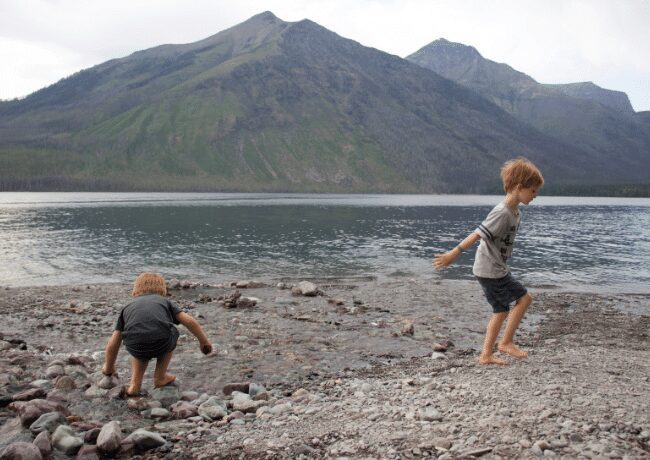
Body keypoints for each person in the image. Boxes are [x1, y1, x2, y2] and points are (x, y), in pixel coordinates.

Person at [433, 158, 544, 365]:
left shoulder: (515, 211)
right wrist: (453, 254)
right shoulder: (502, 212)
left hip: (497, 268)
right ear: (520, 187)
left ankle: (504, 343)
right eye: (533, 191)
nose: (535, 196)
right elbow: (477, 234)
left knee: (524, 299)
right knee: (501, 310)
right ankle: (489, 353)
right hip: (488, 270)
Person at [101, 272, 213, 395]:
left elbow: (113, 343)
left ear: (136, 289)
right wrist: (204, 341)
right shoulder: (164, 301)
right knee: (172, 331)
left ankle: (135, 385)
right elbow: (189, 321)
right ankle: (160, 377)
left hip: (135, 346)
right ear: (162, 288)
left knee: (138, 340)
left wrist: (109, 368)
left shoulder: (127, 307)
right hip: (162, 343)